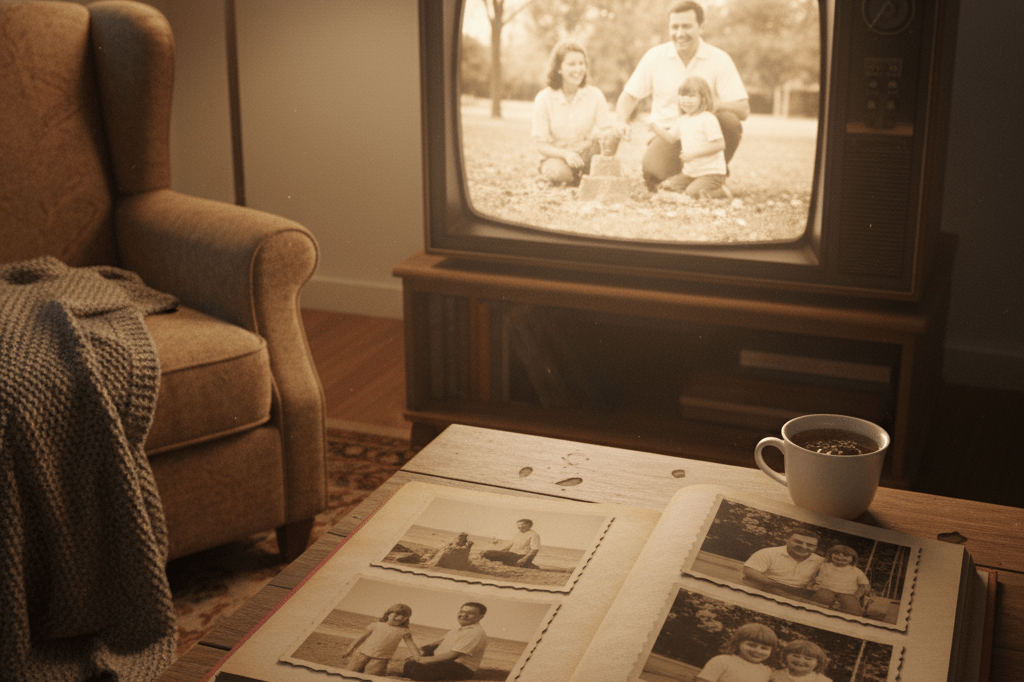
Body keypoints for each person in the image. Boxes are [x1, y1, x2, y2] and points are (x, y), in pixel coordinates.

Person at [613, 1, 749, 190]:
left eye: (686, 26)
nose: (679, 33)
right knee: (654, 174)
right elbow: (629, 96)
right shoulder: (655, 56)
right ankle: (692, 178)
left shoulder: (719, 59)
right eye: (674, 27)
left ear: (701, 26)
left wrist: (711, 105)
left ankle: (713, 176)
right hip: (668, 133)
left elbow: (743, 109)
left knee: (729, 121)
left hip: (702, 131)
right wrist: (621, 121)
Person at [532, 40, 614, 187]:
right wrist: (566, 154)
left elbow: (607, 130)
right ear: (559, 68)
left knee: (613, 138)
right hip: (558, 157)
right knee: (559, 173)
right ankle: (577, 178)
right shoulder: (544, 98)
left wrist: (614, 132)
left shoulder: (595, 95)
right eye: (571, 64)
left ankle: (589, 176)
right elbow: (541, 145)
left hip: (586, 154)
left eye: (581, 63)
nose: (578, 69)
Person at [649, 75, 728, 199]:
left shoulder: (707, 118)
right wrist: (654, 127)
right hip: (690, 174)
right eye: (683, 96)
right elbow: (671, 138)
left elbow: (719, 144)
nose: (686, 100)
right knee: (665, 187)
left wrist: (693, 154)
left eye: (692, 96)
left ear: (703, 98)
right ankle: (693, 190)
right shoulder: (683, 120)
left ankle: (721, 192)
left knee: (692, 193)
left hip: (711, 173)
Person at [403, 602, 489, 681]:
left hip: (461, 668)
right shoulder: (459, 629)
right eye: (462, 611)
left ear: (481, 616)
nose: (464, 615)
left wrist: (422, 660)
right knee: (410, 664)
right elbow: (436, 644)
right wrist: (421, 651)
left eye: (470, 613)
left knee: (418, 669)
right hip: (447, 663)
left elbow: (452, 655)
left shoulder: (475, 632)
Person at [342, 603, 421, 676]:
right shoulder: (376, 625)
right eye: (397, 615)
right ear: (388, 614)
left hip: (381, 659)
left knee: (370, 676)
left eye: (404, 616)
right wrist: (351, 647)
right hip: (362, 653)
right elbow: (362, 637)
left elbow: (411, 644)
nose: (400, 618)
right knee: (349, 672)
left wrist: (418, 657)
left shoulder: (404, 631)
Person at [742, 529, 824, 598]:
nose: (804, 547)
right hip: (767, 587)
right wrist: (777, 585)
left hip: (799, 592)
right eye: (798, 542)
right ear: (787, 540)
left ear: (816, 547)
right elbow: (749, 571)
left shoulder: (820, 561)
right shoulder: (769, 552)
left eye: (810, 545)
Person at [696, 622, 777, 682]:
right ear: (738, 643)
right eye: (751, 645)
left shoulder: (767, 672)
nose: (758, 651)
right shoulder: (722, 661)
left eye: (764, 648)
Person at [809, 545, 870, 615]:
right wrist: (814, 586)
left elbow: (864, 585)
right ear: (830, 554)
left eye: (846, 555)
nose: (840, 557)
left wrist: (857, 596)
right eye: (836, 554)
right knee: (823, 598)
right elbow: (814, 577)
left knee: (853, 608)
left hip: (847, 593)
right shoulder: (824, 566)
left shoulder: (856, 571)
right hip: (825, 589)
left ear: (853, 558)